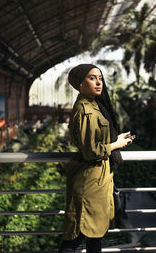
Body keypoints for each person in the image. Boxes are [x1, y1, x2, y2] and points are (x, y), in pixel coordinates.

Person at [59, 64, 134, 253]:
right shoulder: (87, 110)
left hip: (97, 179)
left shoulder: (93, 105)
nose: (99, 82)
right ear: (79, 83)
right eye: (92, 78)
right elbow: (91, 151)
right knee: (78, 234)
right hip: (90, 181)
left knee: (95, 234)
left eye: (100, 77)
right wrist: (116, 145)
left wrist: (116, 139)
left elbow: (95, 140)